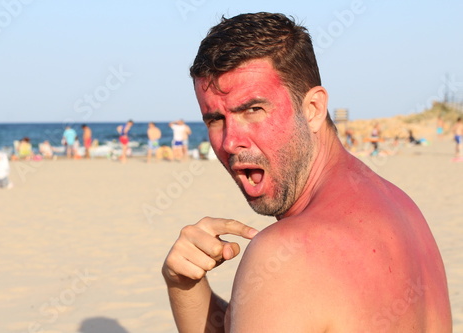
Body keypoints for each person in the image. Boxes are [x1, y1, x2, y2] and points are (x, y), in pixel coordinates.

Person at [162, 13, 452, 332]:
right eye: (215, 119)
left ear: (313, 109)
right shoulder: (404, 210)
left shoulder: (288, 254)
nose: (231, 141)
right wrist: (184, 285)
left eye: (253, 110)